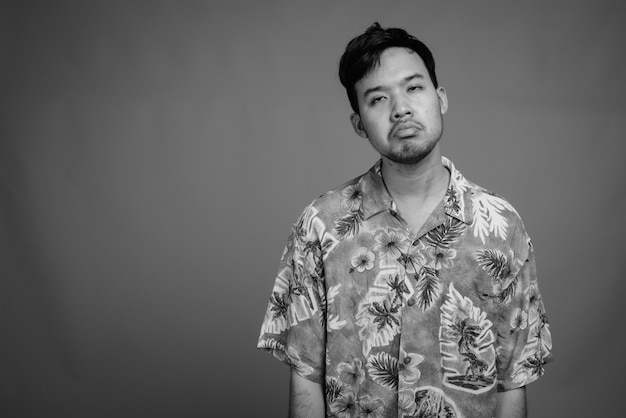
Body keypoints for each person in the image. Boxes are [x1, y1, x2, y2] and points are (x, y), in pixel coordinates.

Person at [257, 22, 552, 418]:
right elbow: (305, 374)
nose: (401, 109)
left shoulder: (501, 226)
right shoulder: (320, 226)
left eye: (414, 88)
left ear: (440, 98)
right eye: (378, 99)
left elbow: (512, 380)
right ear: (359, 123)